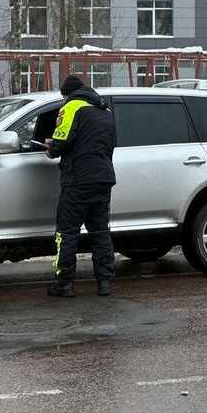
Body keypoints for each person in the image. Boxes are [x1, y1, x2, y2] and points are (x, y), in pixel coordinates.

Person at [44, 75, 117, 297]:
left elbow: (62, 140)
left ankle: (64, 284)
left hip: (77, 181)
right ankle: (104, 282)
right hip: (103, 178)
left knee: (66, 233)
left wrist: (51, 147)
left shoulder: (72, 106)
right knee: (101, 232)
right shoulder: (105, 111)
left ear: (66, 93)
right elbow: (109, 144)